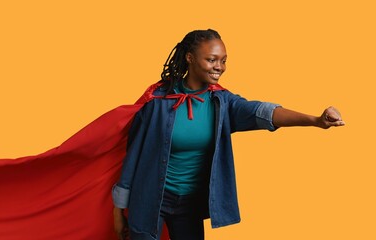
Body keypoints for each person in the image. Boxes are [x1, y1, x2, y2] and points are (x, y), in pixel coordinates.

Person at [111, 29, 345, 240]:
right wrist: (118, 209)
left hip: (190, 205)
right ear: (190, 58)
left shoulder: (222, 102)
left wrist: (315, 120)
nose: (219, 67)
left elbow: (262, 112)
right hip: (149, 197)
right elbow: (133, 155)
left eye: (223, 61)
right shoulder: (157, 100)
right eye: (211, 59)